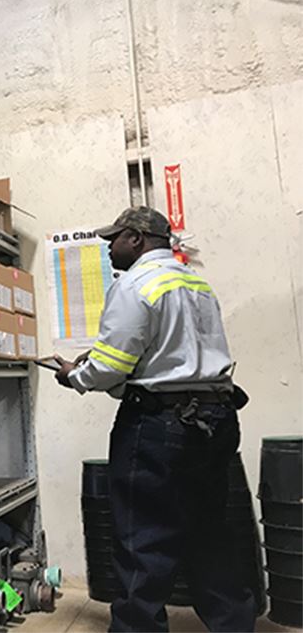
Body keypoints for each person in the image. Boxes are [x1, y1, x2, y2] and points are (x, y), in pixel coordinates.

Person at [52, 206, 255, 633]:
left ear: (138, 240)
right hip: (216, 417)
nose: (109, 247)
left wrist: (76, 376)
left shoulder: (136, 283)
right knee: (210, 533)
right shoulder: (195, 283)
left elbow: (109, 367)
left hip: (160, 425)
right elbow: (175, 351)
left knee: (142, 539)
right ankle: (234, 625)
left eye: (116, 238)